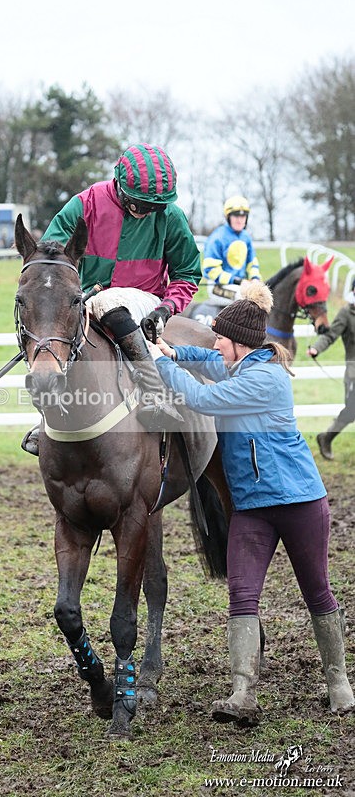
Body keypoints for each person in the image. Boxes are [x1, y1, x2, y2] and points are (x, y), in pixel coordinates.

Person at [148, 280, 354, 725]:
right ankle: (243, 693)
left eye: (220, 338)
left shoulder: (264, 380)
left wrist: (157, 364)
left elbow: (201, 396)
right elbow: (206, 359)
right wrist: (172, 351)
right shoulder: (240, 366)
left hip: (300, 503)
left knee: (316, 591)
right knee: (242, 596)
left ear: (239, 345)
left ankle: (338, 682)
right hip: (251, 508)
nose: (215, 344)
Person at [21, 143, 202, 455]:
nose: (146, 212)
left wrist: (166, 309)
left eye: (153, 207)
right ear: (119, 184)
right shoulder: (85, 204)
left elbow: (187, 272)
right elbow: (48, 261)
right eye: (139, 203)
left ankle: (155, 395)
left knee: (110, 300)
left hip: (145, 302)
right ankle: (48, 418)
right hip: (89, 302)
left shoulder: (171, 217)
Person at [307, 277, 355, 460]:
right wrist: (316, 348)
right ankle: (326, 438)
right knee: (351, 411)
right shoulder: (346, 313)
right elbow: (330, 335)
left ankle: (326, 438)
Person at [202, 196, 262, 306]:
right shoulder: (217, 237)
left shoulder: (246, 237)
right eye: (236, 216)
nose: (240, 220)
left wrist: (255, 279)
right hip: (217, 286)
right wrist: (238, 281)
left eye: (243, 216)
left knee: (262, 294)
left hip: (242, 285)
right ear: (228, 217)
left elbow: (252, 263)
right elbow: (211, 270)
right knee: (245, 298)